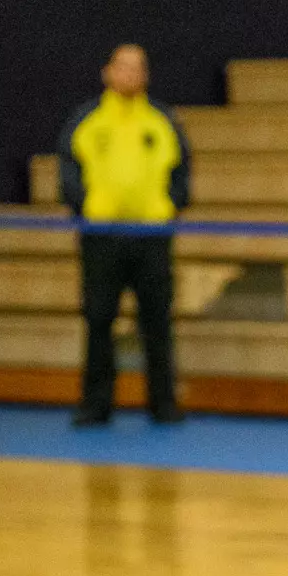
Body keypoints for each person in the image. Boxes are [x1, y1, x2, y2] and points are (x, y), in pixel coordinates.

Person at [57, 43, 189, 426]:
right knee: (98, 319)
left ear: (145, 76)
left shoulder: (163, 121)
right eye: (123, 66)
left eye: (138, 68)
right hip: (101, 239)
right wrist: (87, 208)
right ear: (108, 72)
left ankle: (163, 403)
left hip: (152, 238)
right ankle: (96, 404)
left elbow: (183, 173)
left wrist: (169, 205)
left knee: (157, 322)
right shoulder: (86, 120)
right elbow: (68, 171)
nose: (130, 74)